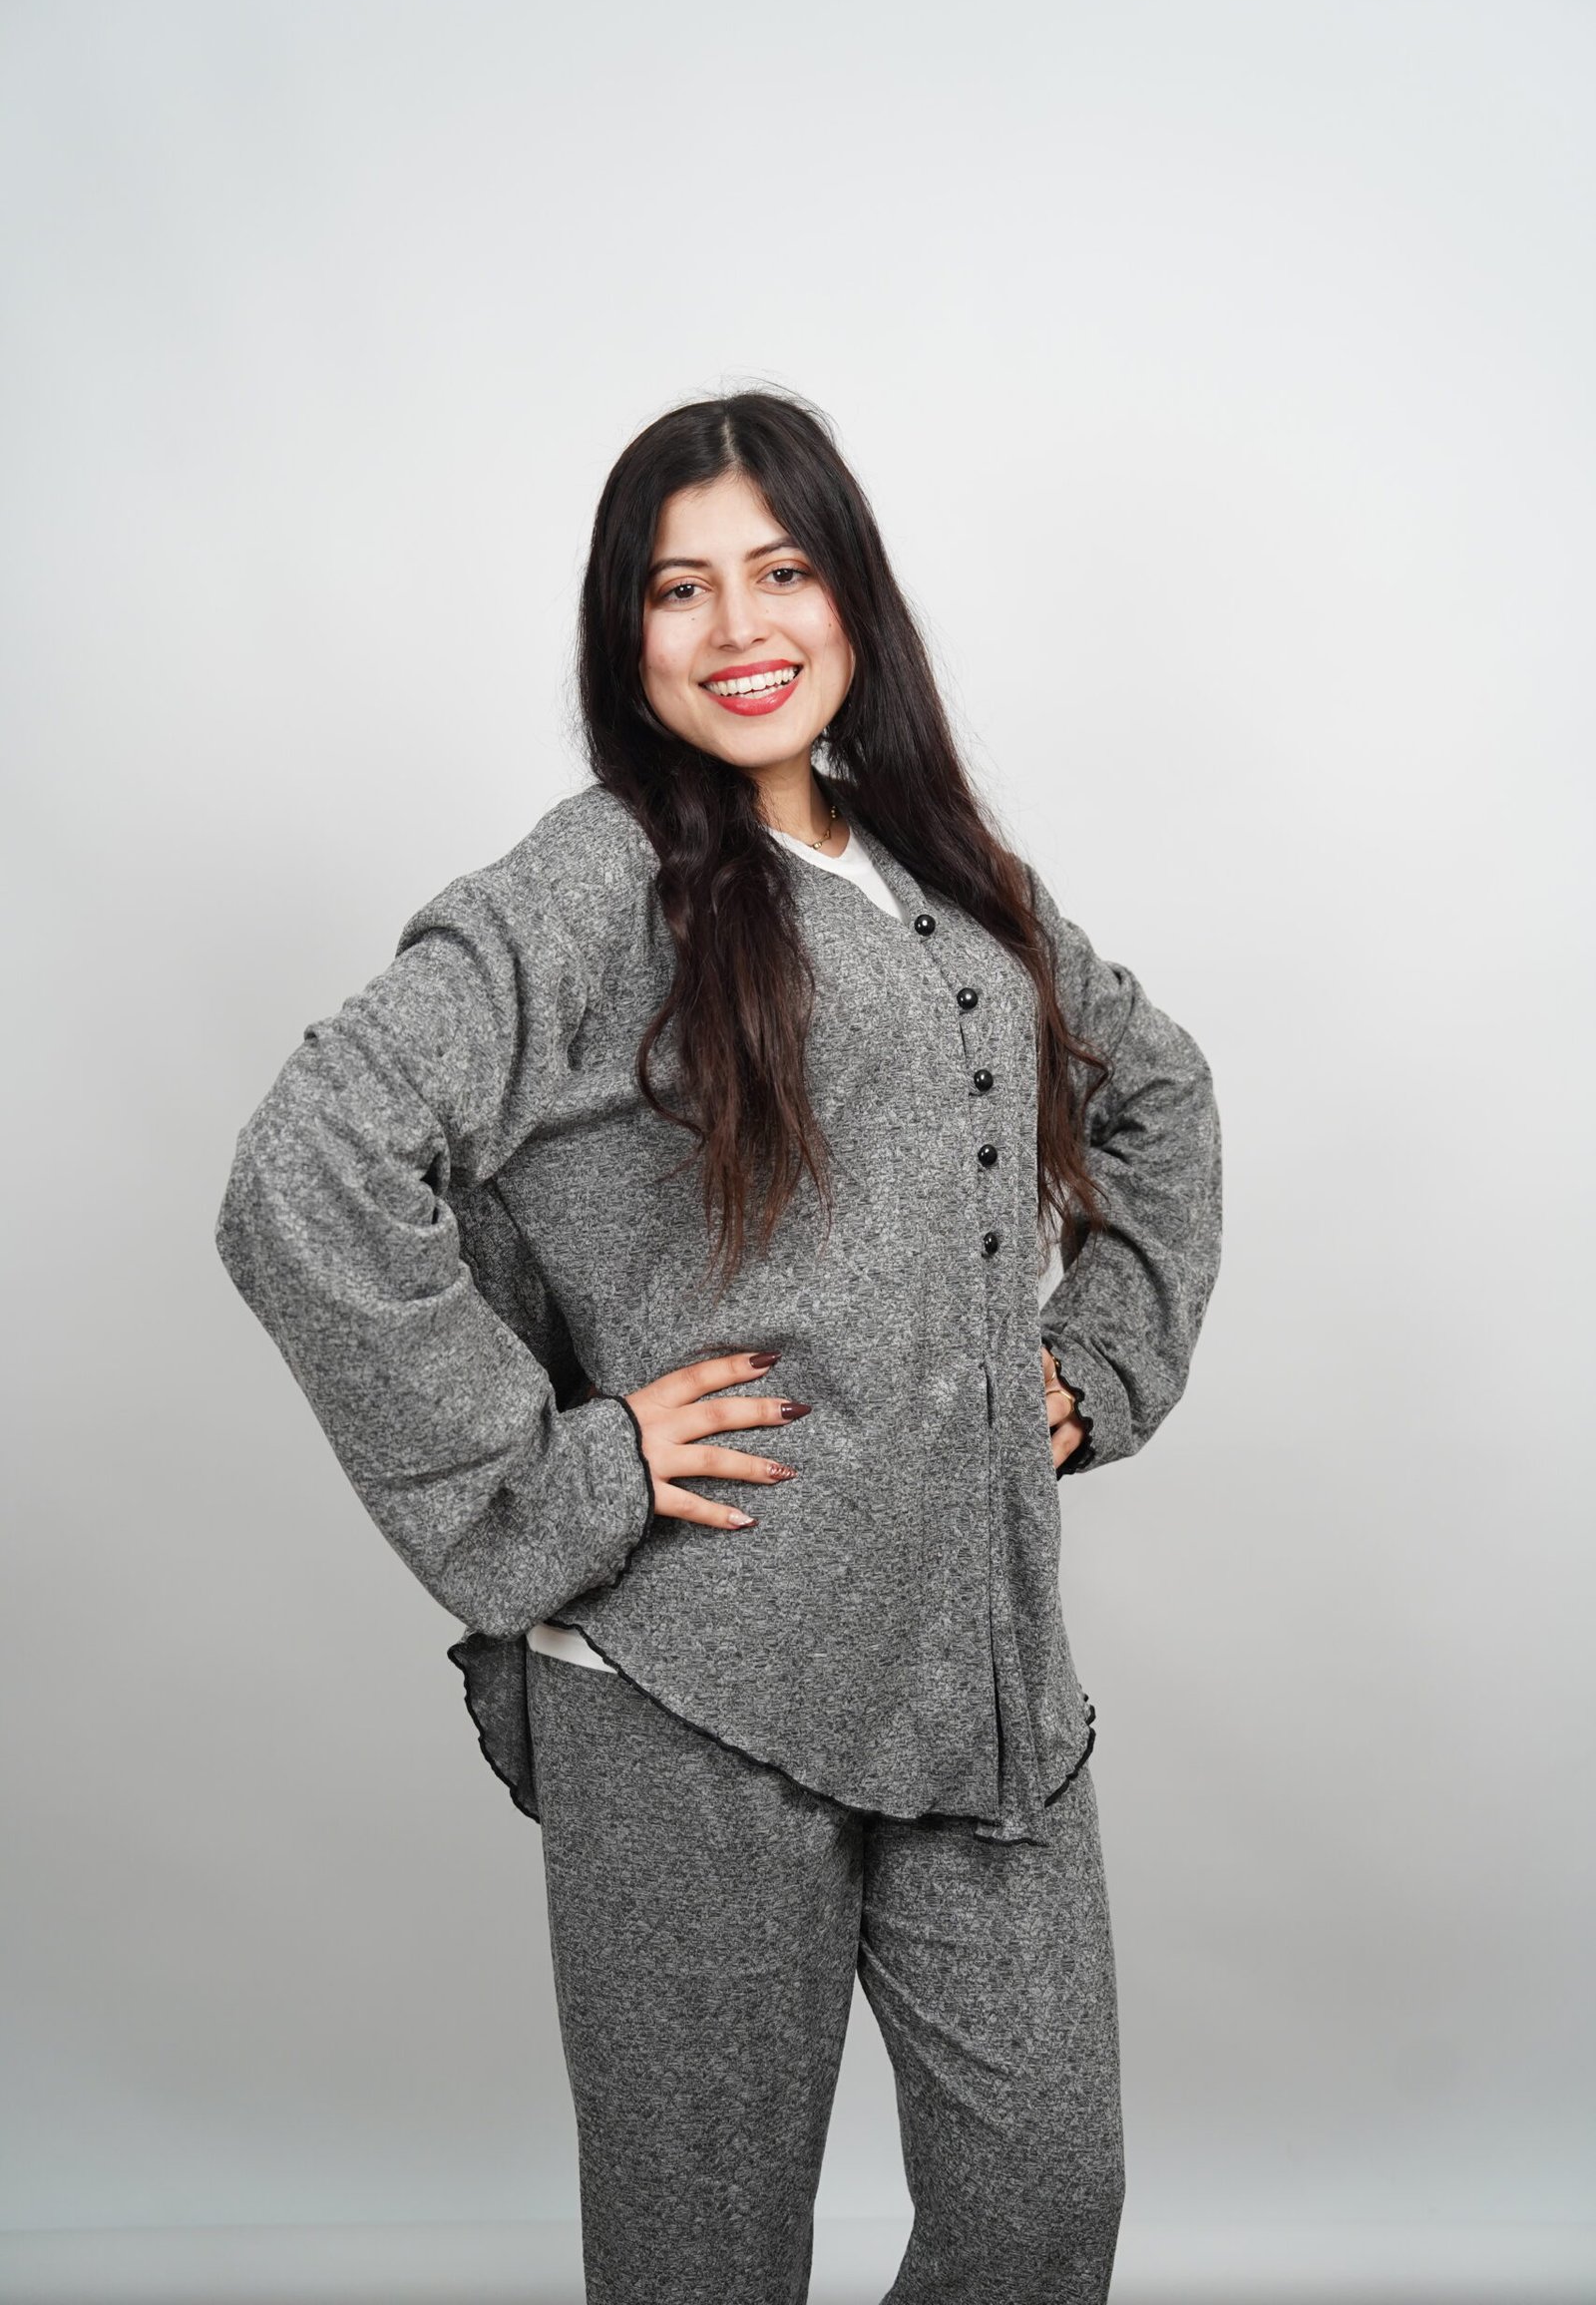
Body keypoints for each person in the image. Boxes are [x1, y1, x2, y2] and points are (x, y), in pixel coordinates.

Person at [215, 387, 1223, 2304]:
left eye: (781, 571)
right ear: (627, 633)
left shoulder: (938, 864)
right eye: (679, 589)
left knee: (1039, 2208)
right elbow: (308, 1168)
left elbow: (1152, 1088)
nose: (739, 626)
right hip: (684, 1689)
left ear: (853, 597)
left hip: (977, 1670)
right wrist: (561, 1472)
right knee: (704, 2266)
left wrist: (1097, 1367)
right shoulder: (598, 880)